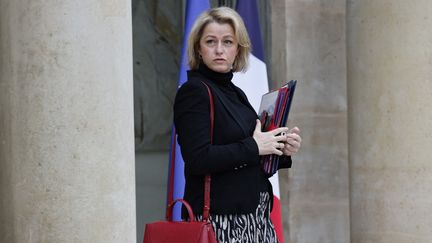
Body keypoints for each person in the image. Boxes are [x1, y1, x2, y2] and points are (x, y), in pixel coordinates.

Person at [174, 6, 302, 243]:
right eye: (211, 41)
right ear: (198, 49)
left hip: (256, 220)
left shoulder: (235, 93)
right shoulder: (194, 92)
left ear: (238, 49)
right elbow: (198, 158)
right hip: (220, 223)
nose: (220, 50)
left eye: (228, 42)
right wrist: (255, 146)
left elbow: (250, 155)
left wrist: (280, 148)